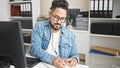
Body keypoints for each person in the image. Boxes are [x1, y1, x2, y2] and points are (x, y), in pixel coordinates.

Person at [30, 0, 79, 68]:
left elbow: (75, 54)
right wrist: (52, 59)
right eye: (56, 17)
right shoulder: (39, 26)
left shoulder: (70, 34)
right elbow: (34, 49)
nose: (59, 22)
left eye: (62, 19)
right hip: (41, 64)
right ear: (50, 14)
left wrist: (75, 59)